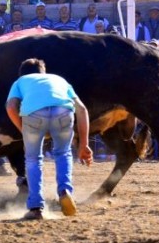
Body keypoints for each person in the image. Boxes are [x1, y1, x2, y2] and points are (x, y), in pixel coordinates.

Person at [5, 58, 93, 220]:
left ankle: (36, 207)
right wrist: (84, 144)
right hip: (64, 112)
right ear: (43, 72)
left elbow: (10, 107)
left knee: (33, 159)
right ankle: (65, 191)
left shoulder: (20, 81)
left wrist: (23, 129)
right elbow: (81, 109)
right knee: (63, 153)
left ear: (22, 73)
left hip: (34, 115)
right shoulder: (59, 80)